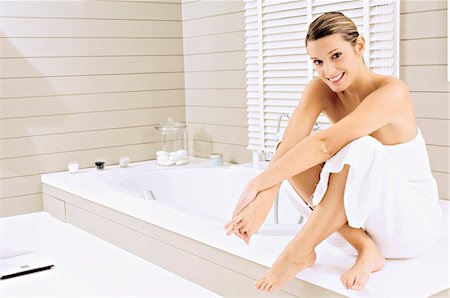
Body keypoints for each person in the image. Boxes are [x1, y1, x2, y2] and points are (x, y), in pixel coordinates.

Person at [224, 11, 442, 293]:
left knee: (361, 147)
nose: (328, 71)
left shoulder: (393, 91)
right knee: (291, 155)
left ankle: (297, 252)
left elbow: (325, 144)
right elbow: (290, 146)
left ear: (359, 46)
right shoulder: (320, 89)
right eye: (318, 62)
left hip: (410, 226)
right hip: (357, 229)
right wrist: (264, 199)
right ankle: (366, 249)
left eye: (336, 55)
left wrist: (257, 185)